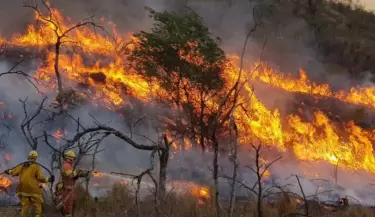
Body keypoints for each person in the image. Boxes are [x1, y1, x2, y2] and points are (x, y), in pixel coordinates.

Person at [4, 150, 54, 217]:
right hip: (33, 189)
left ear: (28, 157)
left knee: (25, 205)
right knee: (37, 203)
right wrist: (48, 179)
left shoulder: (23, 165)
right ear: (36, 158)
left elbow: (14, 171)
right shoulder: (36, 167)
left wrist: (9, 171)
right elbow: (40, 178)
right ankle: (38, 215)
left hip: (22, 189)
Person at [55, 151, 89, 217]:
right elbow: (69, 174)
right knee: (68, 207)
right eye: (72, 159)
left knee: (69, 205)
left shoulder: (68, 166)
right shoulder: (66, 165)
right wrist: (77, 172)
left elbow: (72, 177)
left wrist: (79, 174)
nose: (73, 160)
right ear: (69, 158)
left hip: (69, 189)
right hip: (67, 189)